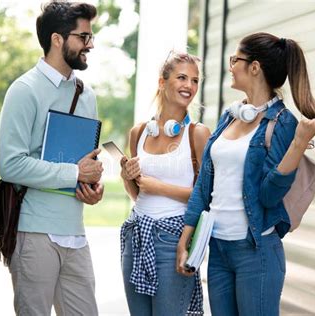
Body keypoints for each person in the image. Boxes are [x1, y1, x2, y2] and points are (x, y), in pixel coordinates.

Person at [176, 32, 315, 315]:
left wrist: (298, 145)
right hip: (218, 250)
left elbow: (268, 195)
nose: (231, 65)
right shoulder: (231, 116)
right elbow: (204, 185)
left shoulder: (283, 123)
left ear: (254, 67)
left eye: (235, 59)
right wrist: (186, 237)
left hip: (255, 252)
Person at [0, 1, 103, 315]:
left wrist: (93, 185)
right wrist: (74, 173)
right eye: (83, 37)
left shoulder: (87, 94)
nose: (91, 44)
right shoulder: (24, 90)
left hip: (75, 233)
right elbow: (10, 164)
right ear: (58, 39)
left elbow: (86, 162)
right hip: (34, 234)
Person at [119, 51, 211, 315]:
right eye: (182, 78)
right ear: (162, 82)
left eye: (194, 81)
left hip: (173, 240)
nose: (189, 86)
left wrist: (159, 187)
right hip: (137, 235)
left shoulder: (198, 134)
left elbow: (205, 197)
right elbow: (137, 194)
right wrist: (128, 178)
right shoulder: (138, 133)